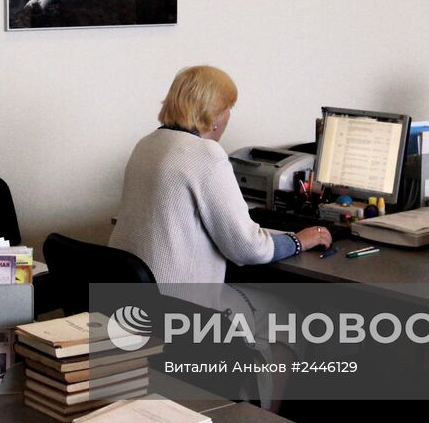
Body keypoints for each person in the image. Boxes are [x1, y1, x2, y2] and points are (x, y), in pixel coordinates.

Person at [109, 66, 329, 283]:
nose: (229, 116)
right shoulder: (204, 153)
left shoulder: (147, 144)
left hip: (128, 297)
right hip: (178, 306)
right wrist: (297, 240)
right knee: (283, 310)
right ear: (213, 115)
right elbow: (248, 248)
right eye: (228, 108)